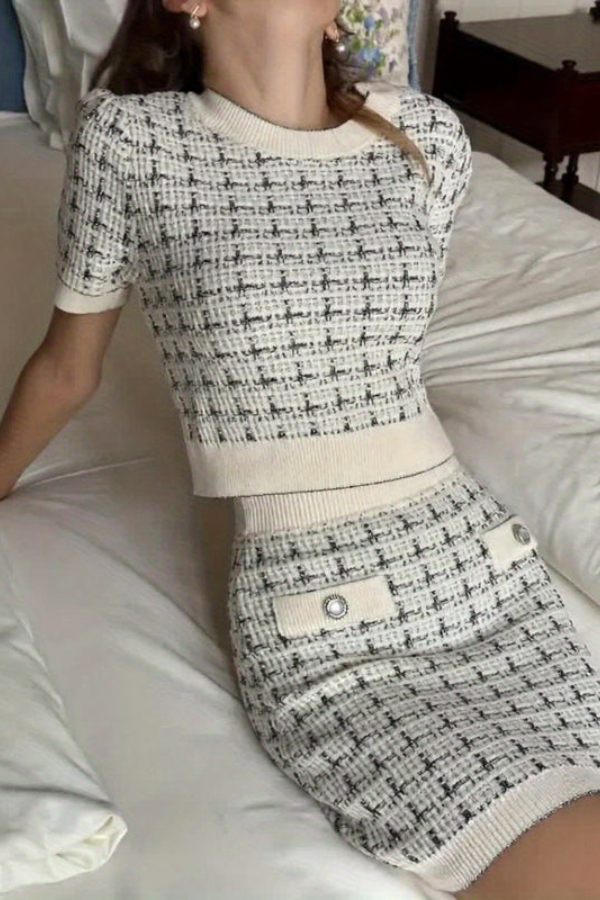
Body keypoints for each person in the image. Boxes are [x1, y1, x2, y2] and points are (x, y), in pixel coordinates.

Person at [3, 2, 600, 897]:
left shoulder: (426, 136)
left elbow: (380, 356)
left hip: (480, 566)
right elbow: (66, 369)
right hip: (324, 613)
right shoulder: (134, 141)